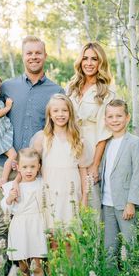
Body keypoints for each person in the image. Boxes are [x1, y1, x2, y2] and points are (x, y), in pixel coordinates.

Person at [0, 36, 64, 272]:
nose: (34, 57)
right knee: (3, 224)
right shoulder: (7, 87)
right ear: (23, 56)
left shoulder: (56, 91)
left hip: (37, 172)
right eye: (29, 53)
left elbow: (59, 129)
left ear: (45, 56)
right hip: (5, 167)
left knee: (39, 223)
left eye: (38, 53)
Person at [31, 94, 93, 244]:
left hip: (71, 193)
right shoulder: (42, 138)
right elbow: (33, 167)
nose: (60, 114)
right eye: (56, 111)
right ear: (50, 115)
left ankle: (70, 267)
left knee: (71, 236)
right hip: (50, 193)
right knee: (51, 234)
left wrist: (85, 197)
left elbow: (83, 170)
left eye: (64, 110)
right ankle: (54, 267)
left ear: (70, 113)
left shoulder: (78, 140)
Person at [67, 42, 116, 222]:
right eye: (85, 58)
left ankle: (95, 245)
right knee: (73, 195)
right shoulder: (72, 87)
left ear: (100, 63)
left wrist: (95, 164)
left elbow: (104, 132)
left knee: (92, 197)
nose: (88, 63)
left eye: (94, 59)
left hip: (93, 149)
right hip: (71, 147)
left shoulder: (106, 92)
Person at [101, 99, 139, 264]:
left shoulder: (134, 142)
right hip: (107, 204)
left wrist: (132, 202)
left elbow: (138, 174)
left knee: (129, 245)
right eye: (110, 116)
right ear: (105, 120)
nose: (115, 120)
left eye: (119, 116)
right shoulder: (106, 143)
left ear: (127, 118)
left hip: (125, 203)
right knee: (109, 248)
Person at [1, 148, 47, 276]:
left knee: (37, 265)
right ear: (18, 167)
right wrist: (9, 198)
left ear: (39, 166)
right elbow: (6, 209)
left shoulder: (42, 183)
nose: (29, 170)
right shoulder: (13, 187)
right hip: (20, 227)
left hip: (37, 226)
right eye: (25, 167)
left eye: (33, 166)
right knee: (23, 266)